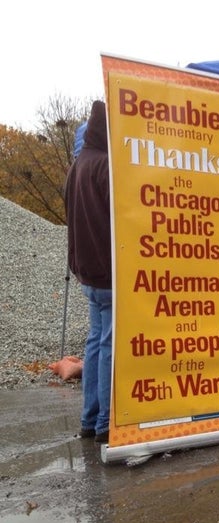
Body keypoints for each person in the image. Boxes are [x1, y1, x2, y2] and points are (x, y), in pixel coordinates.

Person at [64, 100, 112, 443]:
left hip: (86, 274)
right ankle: (106, 423)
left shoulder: (77, 166)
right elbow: (122, 217)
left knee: (95, 343)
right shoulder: (107, 166)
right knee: (108, 345)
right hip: (108, 273)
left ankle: (89, 418)